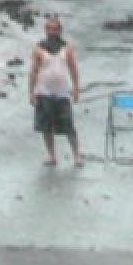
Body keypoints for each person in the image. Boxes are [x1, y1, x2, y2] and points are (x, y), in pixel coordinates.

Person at [28, 14, 82, 167]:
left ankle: (76, 156)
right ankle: (51, 156)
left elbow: (73, 69)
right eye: (49, 28)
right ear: (45, 30)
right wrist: (31, 92)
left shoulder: (67, 48)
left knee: (68, 125)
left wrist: (76, 88)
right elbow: (33, 71)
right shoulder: (39, 48)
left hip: (62, 92)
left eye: (55, 28)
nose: (52, 31)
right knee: (46, 126)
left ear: (60, 30)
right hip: (44, 91)